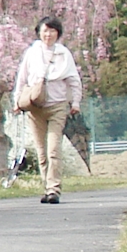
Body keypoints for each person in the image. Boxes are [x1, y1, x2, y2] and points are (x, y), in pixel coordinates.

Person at [13, 16, 83, 204]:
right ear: (39, 32)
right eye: (45, 30)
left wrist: (75, 102)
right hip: (36, 108)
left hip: (57, 106)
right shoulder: (32, 53)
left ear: (58, 33)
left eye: (52, 30)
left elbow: (74, 80)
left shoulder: (63, 54)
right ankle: (47, 185)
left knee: (54, 149)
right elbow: (22, 78)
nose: (48, 34)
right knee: (41, 152)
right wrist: (17, 101)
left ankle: (54, 189)